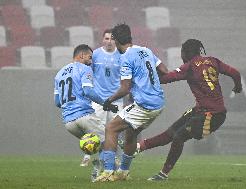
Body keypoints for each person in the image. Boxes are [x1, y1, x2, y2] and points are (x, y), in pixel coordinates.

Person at [136, 39, 243, 181]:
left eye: (182, 52)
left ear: (185, 53)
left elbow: (166, 79)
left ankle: (163, 174)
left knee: (178, 136)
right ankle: (137, 147)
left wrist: (149, 71)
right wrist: (238, 87)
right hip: (203, 111)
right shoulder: (213, 61)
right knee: (171, 133)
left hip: (212, 116)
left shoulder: (190, 66)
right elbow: (235, 73)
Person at [95, 23, 168, 182]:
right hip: (158, 103)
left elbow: (125, 88)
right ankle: (123, 171)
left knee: (111, 128)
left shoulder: (125, 58)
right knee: (131, 133)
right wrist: (150, 83)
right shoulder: (145, 50)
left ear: (115, 40)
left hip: (145, 105)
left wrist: (108, 100)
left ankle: (108, 173)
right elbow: (164, 70)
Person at [53, 44, 118, 182]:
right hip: (84, 116)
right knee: (109, 141)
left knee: (98, 144)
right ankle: (103, 172)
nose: (91, 61)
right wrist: (105, 103)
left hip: (69, 123)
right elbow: (88, 91)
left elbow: (57, 102)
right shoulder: (84, 69)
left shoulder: (59, 74)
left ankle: (103, 168)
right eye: (90, 57)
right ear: (81, 55)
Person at [80, 28, 123, 167]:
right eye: (106, 38)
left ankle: (112, 158)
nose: (109, 41)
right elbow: (88, 73)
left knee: (114, 131)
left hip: (116, 100)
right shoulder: (96, 54)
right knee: (96, 129)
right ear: (102, 39)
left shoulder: (121, 55)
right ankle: (88, 154)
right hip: (99, 100)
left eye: (111, 39)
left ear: (115, 40)